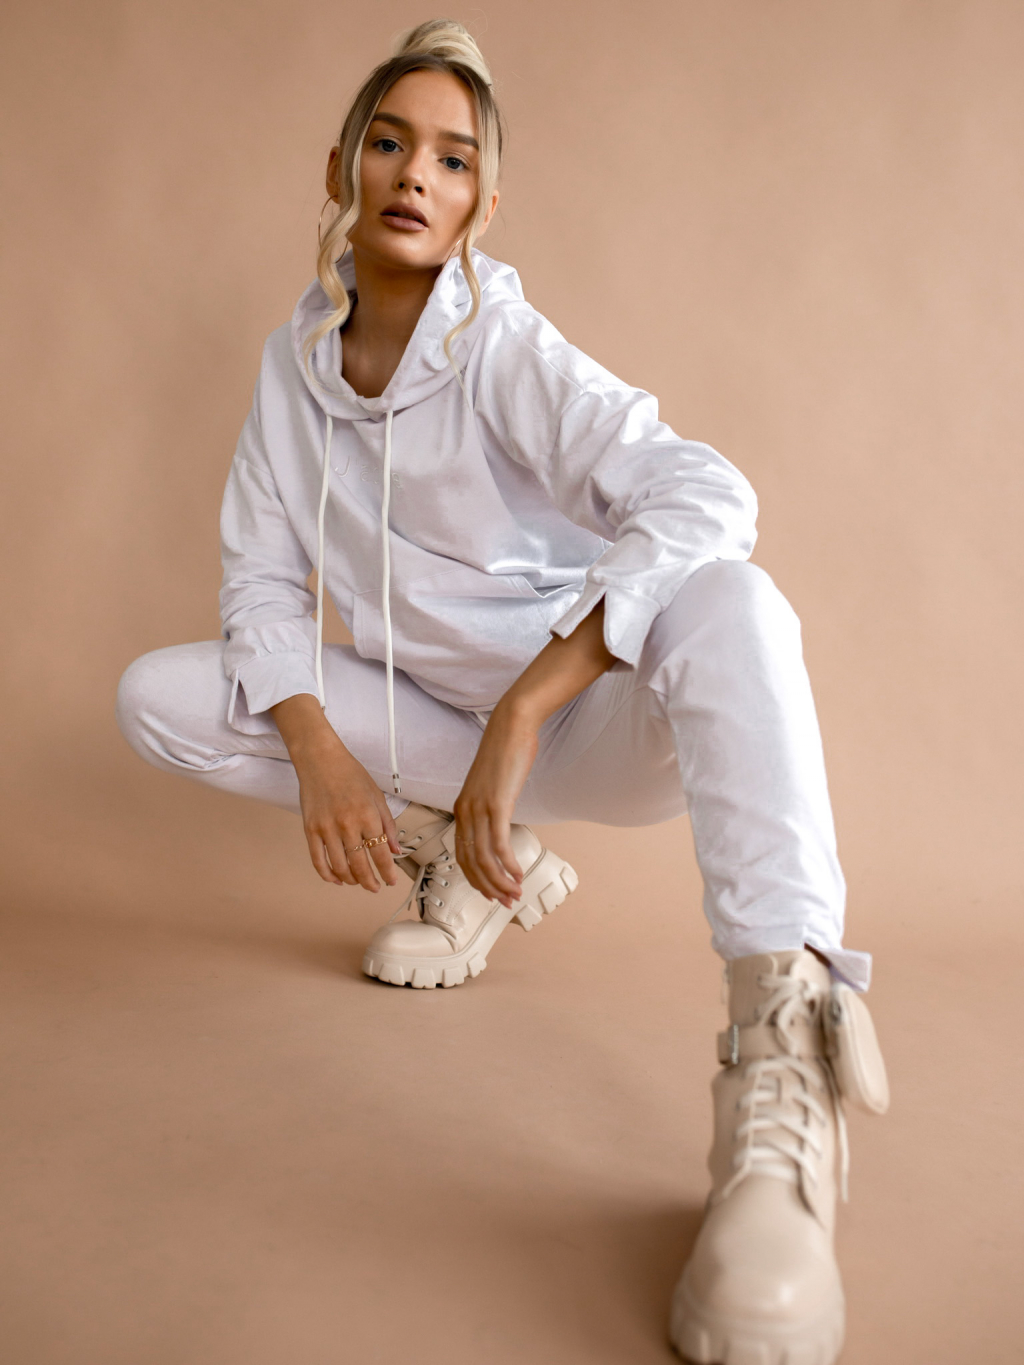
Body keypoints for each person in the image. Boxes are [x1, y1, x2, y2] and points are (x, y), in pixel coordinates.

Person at [116, 19, 889, 1363]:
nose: (417, 173)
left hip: (588, 727)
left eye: (454, 158)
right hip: (428, 726)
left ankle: (785, 1054)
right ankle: (468, 865)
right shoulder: (290, 368)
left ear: (480, 201)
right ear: (343, 164)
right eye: (390, 141)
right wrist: (320, 750)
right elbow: (260, 581)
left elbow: (707, 490)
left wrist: (529, 710)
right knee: (160, 696)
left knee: (738, 599)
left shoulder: (502, 349)